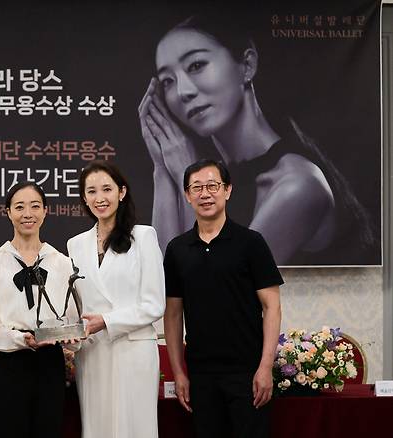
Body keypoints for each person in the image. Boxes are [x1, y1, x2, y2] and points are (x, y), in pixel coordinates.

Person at [139, 13, 375, 264]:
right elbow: (162, 282)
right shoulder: (215, 178)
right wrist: (162, 169)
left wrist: (187, 176)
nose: (182, 91)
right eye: (167, 81)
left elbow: (208, 287)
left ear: (247, 66)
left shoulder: (297, 185)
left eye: (196, 66)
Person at [163, 159, 283, 438]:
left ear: (227, 190)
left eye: (212, 186)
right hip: (200, 375)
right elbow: (172, 314)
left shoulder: (251, 242)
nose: (205, 194)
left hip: (248, 371)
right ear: (187, 195)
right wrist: (179, 373)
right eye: (197, 188)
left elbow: (272, 306)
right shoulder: (177, 248)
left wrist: (265, 367)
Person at [67, 160, 165, 438]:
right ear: (84, 198)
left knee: (134, 427)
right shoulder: (75, 244)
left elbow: (154, 304)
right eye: (92, 191)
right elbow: (77, 305)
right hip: (93, 353)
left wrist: (107, 321)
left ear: (121, 192)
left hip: (133, 351)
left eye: (107, 189)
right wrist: (70, 334)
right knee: (97, 427)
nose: (100, 198)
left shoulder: (143, 236)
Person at [0, 181, 78, 438]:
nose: (27, 214)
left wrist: (72, 338)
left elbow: (72, 318)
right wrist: (21, 339)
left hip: (50, 364)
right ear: (8, 212)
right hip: (9, 364)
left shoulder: (63, 263)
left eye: (35, 206)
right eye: (19, 207)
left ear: (45, 211)